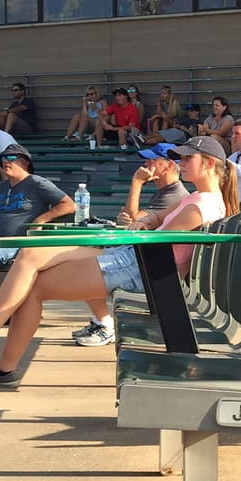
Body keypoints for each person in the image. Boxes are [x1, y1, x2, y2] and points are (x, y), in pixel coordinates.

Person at [0, 136, 240, 384]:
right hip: (131, 257)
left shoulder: (200, 205)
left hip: (139, 267)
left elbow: (153, 240)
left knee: (33, 287)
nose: (181, 162)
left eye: (188, 158)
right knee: (29, 255)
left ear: (209, 163)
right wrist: (145, 220)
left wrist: (139, 226)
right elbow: (156, 220)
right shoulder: (197, 199)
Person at [72, 144, 192, 347]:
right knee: (84, 256)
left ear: (169, 165)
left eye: (152, 160)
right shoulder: (164, 192)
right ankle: (100, 320)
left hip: (154, 269)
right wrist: (133, 217)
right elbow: (131, 220)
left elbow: (134, 221)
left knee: (85, 262)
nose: (146, 165)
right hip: (144, 259)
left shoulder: (175, 194)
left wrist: (136, 183)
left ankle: (103, 324)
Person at [0, 144, 75, 289]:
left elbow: (69, 205)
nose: (6, 162)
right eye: (3, 159)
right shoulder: (2, 186)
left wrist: (41, 219)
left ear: (25, 162)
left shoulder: (37, 182)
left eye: (11, 158)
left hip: (16, 242)